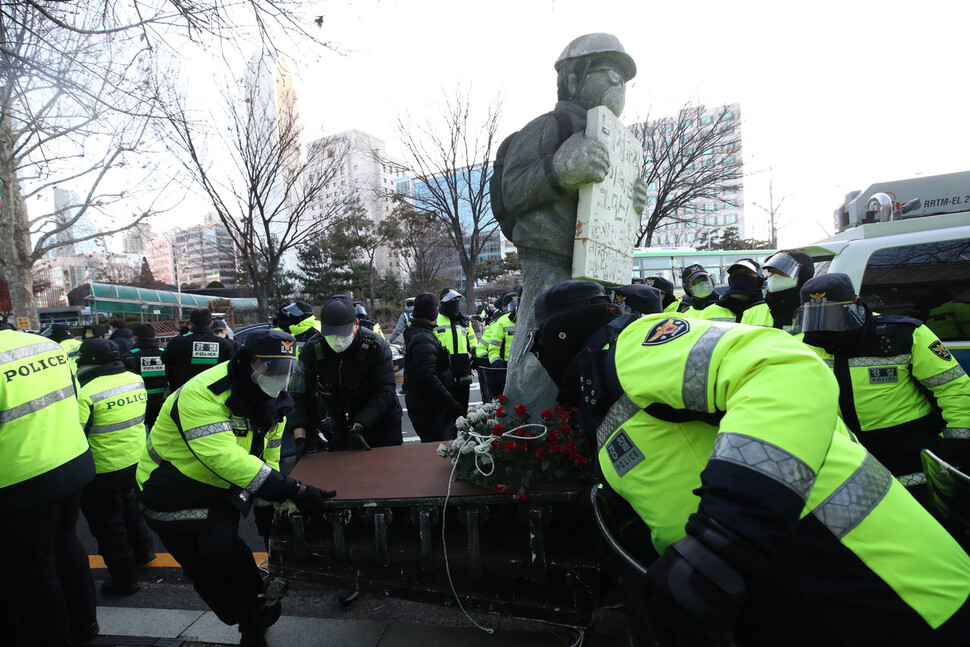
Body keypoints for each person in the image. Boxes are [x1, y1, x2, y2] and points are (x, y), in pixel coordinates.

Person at [527, 280, 970, 647]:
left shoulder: (631, 347)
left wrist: (726, 534)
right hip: (796, 586)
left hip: (879, 580)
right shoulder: (603, 390)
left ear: (557, 335)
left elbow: (784, 366)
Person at [136, 329, 337, 647]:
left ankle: (253, 622)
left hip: (222, 486)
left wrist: (269, 513)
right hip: (169, 485)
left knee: (226, 551)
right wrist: (294, 491)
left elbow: (266, 457)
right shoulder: (204, 393)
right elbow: (224, 457)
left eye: (286, 370)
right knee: (201, 570)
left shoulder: (276, 403)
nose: (280, 378)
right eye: (271, 368)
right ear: (246, 362)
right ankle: (244, 612)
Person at [798, 273, 970, 488]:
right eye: (814, 318)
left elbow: (953, 388)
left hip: (908, 450)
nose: (824, 327)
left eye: (834, 317)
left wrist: (960, 442)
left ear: (856, 304)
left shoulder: (905, 334)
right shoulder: (798, 344)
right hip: (842, 451)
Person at [0, 327, 99, 646]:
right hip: (70, 459)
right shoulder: (46, 346)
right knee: (66, 543)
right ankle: (85, 626)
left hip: (19, 476)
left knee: (33, 567)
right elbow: (77, 398)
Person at [76, 338, 156, 596]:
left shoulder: (85, 391)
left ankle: (124, 580)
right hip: (135, 460)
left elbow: (77, 433)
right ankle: (145, 552)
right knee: (132, 512)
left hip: (103, 469)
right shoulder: (135, 379)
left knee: (109, 526)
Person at [301, 298, 402, 451]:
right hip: (340, 423)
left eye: (343, 334)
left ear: (356, 325)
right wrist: (307, 430)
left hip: (382, 423)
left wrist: (360, 425)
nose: (337, 341)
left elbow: (385, 391)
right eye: (331, 335)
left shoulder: (376, 346)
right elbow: (304, 393)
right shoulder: (313, 349)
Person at [403, 293, 463, 442]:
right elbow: (428, 378)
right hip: (429, 407)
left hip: (427, 405)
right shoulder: (423, 338)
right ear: (431, 311)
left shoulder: (420, 332)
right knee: (438, 446)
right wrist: (450, 402)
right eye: (436, 308)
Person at [270, 300, 323, 459]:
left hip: (313, 380)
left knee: (312, 414)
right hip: (297, 380)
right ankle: (305, 445)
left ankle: (310, 444)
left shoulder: (316, 331)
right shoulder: (292, 332)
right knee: (300, 411)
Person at [436, 288, 486, 414]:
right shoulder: (435, 320)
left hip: (463, 371)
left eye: (457, 300)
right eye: (452, 301)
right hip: (444, 373)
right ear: (444, 302)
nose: (456, 304)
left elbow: (473, 341)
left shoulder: (464, 321)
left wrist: (478, 354)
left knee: (462, 411)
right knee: (446, 412)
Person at [161, 308, 234, 391]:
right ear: (211, 324)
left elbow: (166, 360)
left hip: (184, 392)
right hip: (213, 393)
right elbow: (230, 366)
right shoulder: (223, 343)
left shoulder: (178, 341)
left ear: (191, 324)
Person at [741, 249, 815, 331]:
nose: (774, 276)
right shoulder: (752, 312)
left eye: (782, 272)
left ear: (804, 276)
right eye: (772, 271)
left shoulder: (815, 311)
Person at [122, 323, 168, 430]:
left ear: (135, 338)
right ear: (155, 337)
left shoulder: (129, 356)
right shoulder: (164, 353)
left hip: (138, 401)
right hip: (163, 399)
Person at [696, 258, 770, 323]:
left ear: (759, 280)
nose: (740, 277)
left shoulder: (769, 311)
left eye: (746, 273)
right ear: (730, 279)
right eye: (736, 273)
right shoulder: (709, 312)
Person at [488, 291, 519, 367]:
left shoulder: (529, 318)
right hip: (508, 365)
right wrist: (496, 361)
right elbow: (493, 347)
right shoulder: (502, 321)